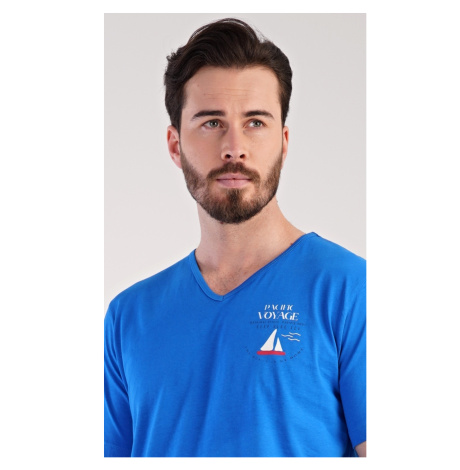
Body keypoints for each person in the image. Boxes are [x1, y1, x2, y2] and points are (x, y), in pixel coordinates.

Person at [104, 17, 366, 458]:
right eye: (211, 123)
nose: (234, 148)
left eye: (255, 122)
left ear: (284, 141)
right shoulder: (128, 318)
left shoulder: (351, 291)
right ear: (175, 145)